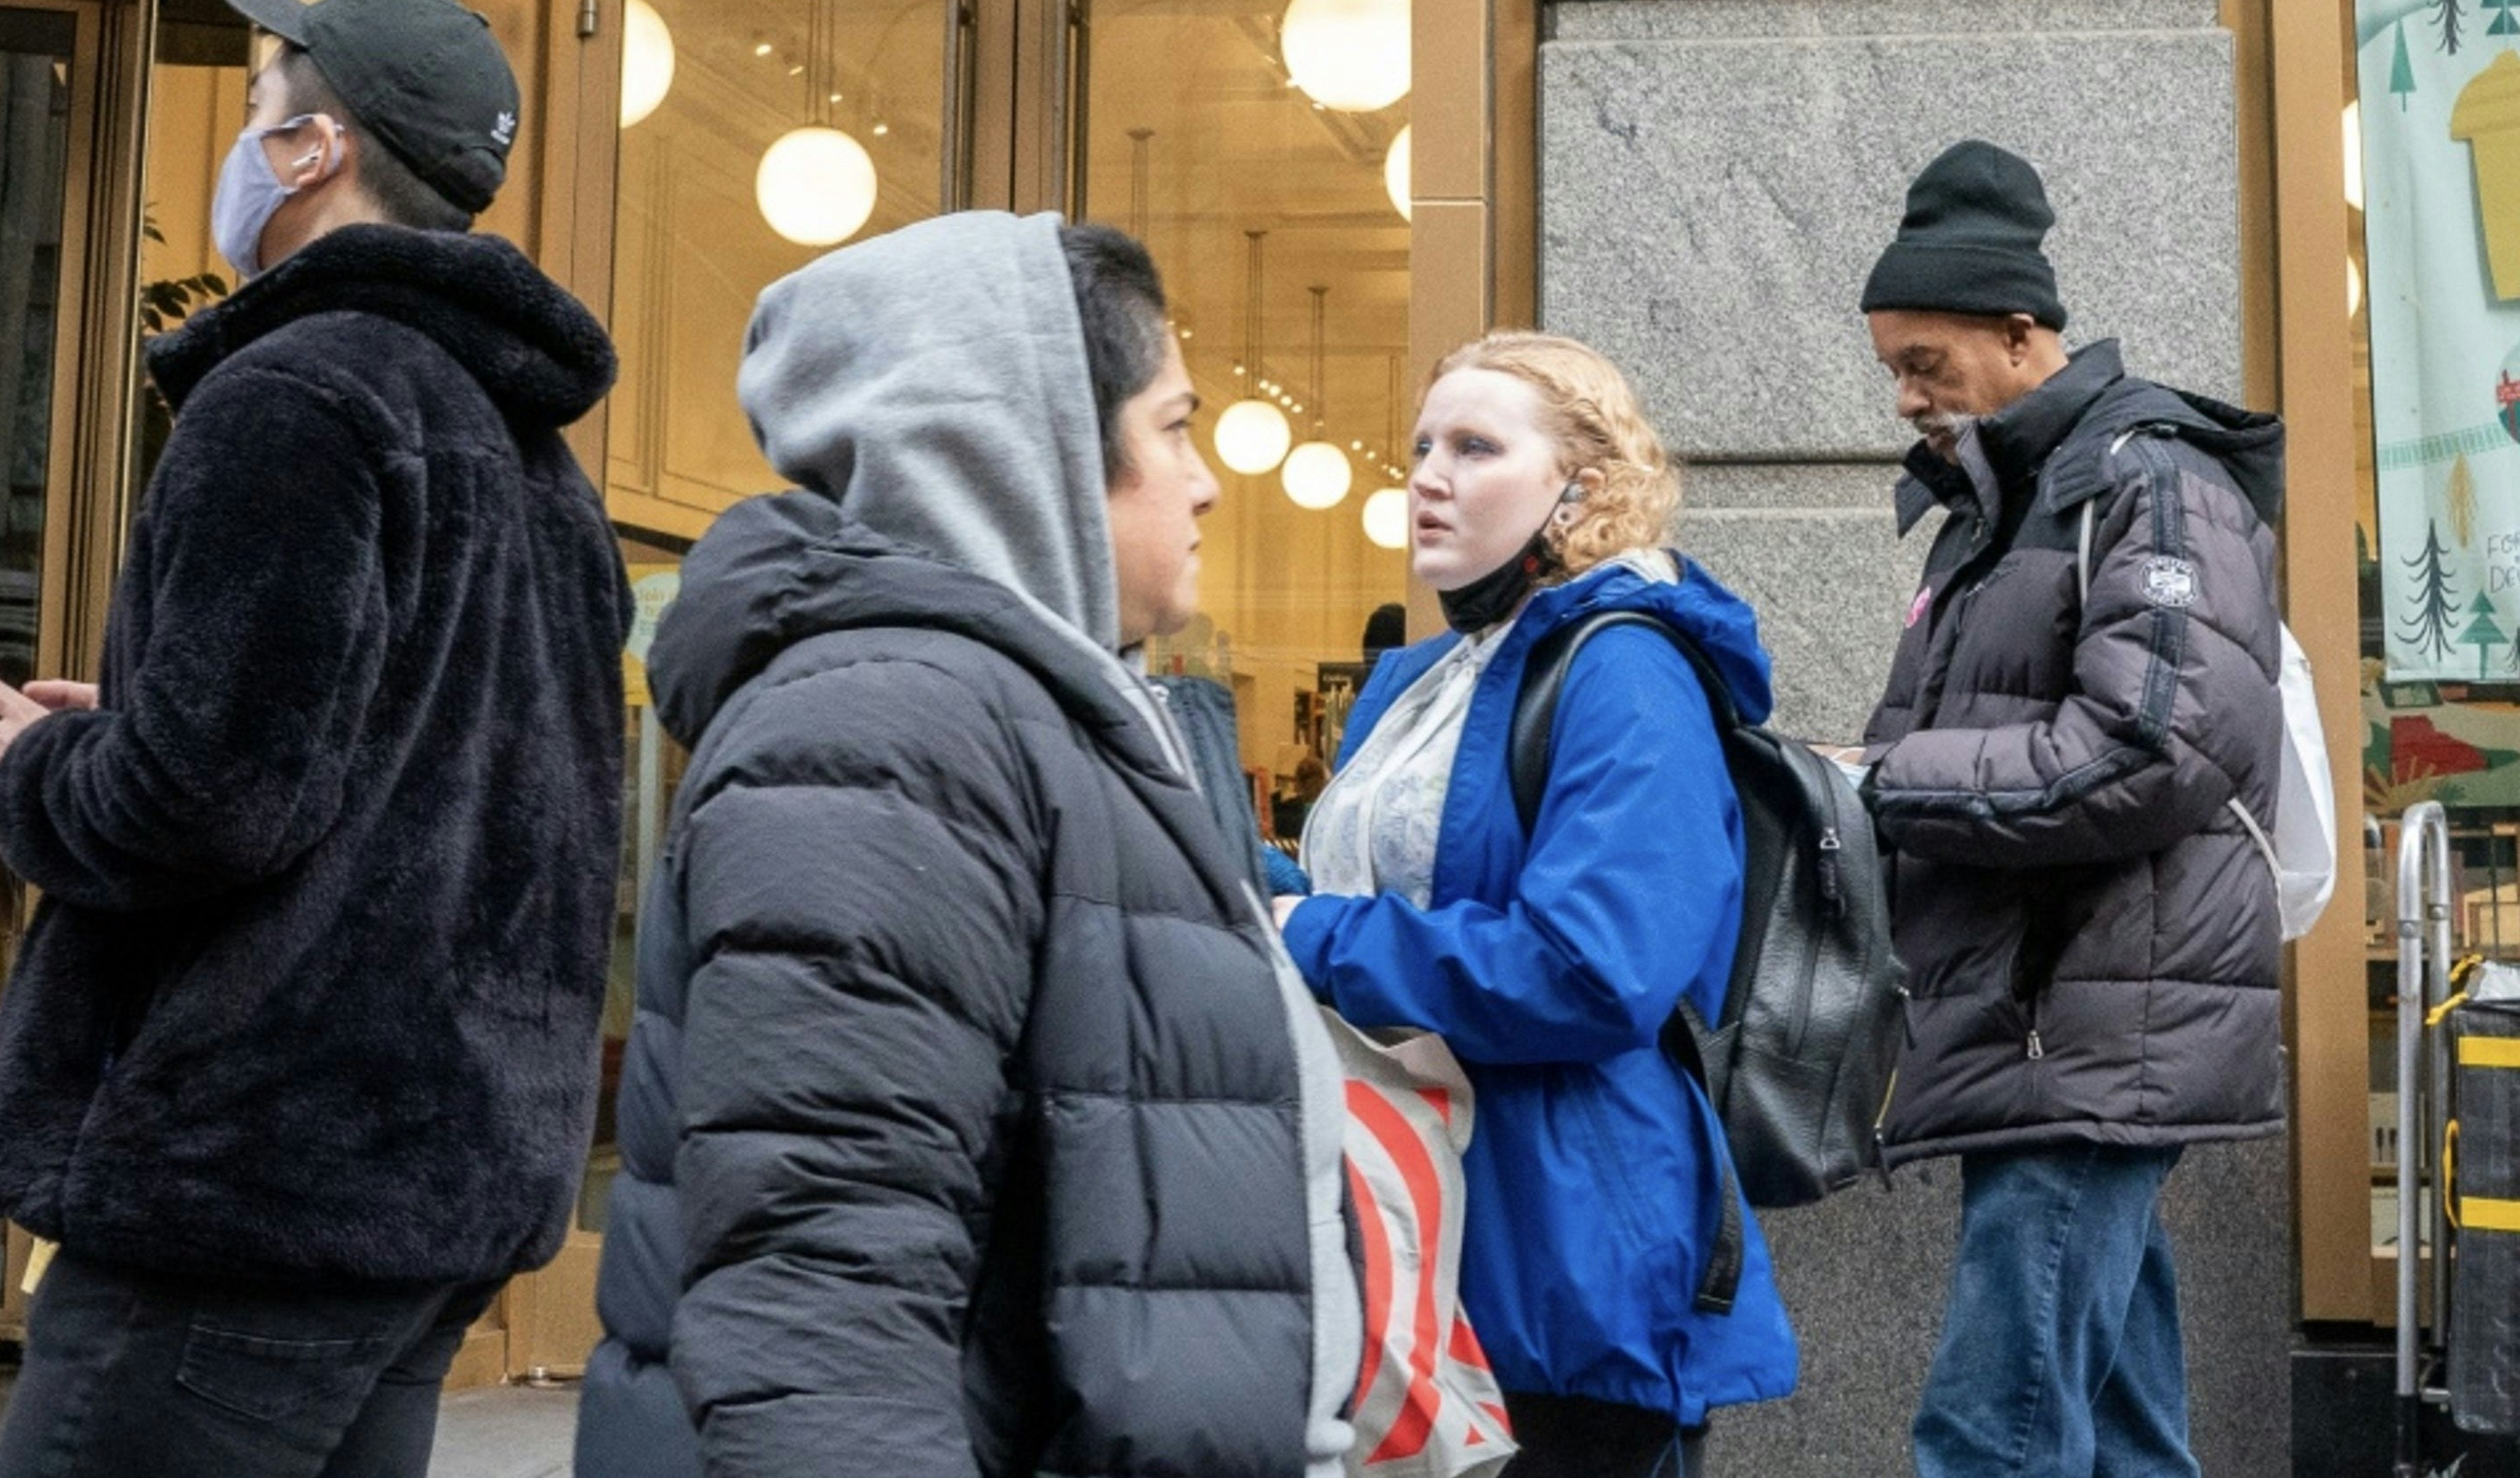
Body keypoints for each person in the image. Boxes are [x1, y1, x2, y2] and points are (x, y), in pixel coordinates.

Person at [0, 0, 629, 1478]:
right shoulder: (535, 463)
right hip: (431, 1180)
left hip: (250, 1172)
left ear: (317, 150)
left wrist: (40, 769)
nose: (242, 141)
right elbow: (466, 791)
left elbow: (213, 796)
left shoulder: (295, 391)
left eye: (258, 109)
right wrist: (139, 726)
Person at [579, 212, 1329, 1478]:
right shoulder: (893, 729)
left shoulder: (1012, 714)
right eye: (1175, 426)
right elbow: (823, 1287)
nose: (1205, 481)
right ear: (1024, 445)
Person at [1282, 332, 1798, 1478]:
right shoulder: (1425, 677)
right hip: (1416, 1212)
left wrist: (1309, 934)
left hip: (1566, 1245)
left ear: (1585, 485)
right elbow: (1373, 891)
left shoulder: (1626, 664)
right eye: (1421, 444)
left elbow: (1595, 966)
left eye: (1474, 445)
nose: (1426, 472)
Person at [1854, 143, 2283, 1478]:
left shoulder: (2145, 481)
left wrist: (1878, 785)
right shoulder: (2004, 505)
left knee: (1993, 1437)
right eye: (1893, 368)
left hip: (2085, 1034)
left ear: (2020, 332)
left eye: (1925, 360)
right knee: (2115, 1437)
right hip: (2060, 1025)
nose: (1908, 394)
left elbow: (2149, 746)